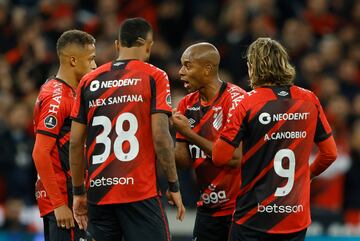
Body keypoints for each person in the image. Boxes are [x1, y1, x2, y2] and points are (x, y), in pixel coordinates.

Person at [69, 17, 185, 241]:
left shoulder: (88, 81)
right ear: (149, 46)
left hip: (99, 193)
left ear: (117, 45)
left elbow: (75, 143)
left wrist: (78, 192)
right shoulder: (155, 76)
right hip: (139, 192)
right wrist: (174, 184)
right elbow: (161, 137)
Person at [212, 37, 338, 241]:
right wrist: (307, 176)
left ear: (253, 67)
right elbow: (330, 154)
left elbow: (219, 157)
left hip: (254, 218)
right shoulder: (309, 99)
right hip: (294, 218)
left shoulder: (246, 103)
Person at [172, 42, 246, 241]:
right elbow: (184, 163)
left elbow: (233, 158)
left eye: (188, 66)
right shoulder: (186, 104)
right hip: (207, 208)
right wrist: (170, 132)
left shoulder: (236, 100)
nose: (180, 72)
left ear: (208, 69)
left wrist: (189, 134)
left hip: (239, 208)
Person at [32, 30, 96, 241]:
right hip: (62, 198)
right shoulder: (57, 97)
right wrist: (59, 204)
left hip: (67, 195)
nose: (94, 66)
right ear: (73, 60)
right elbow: (40, 153)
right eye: (91, 59)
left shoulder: (69, 92)